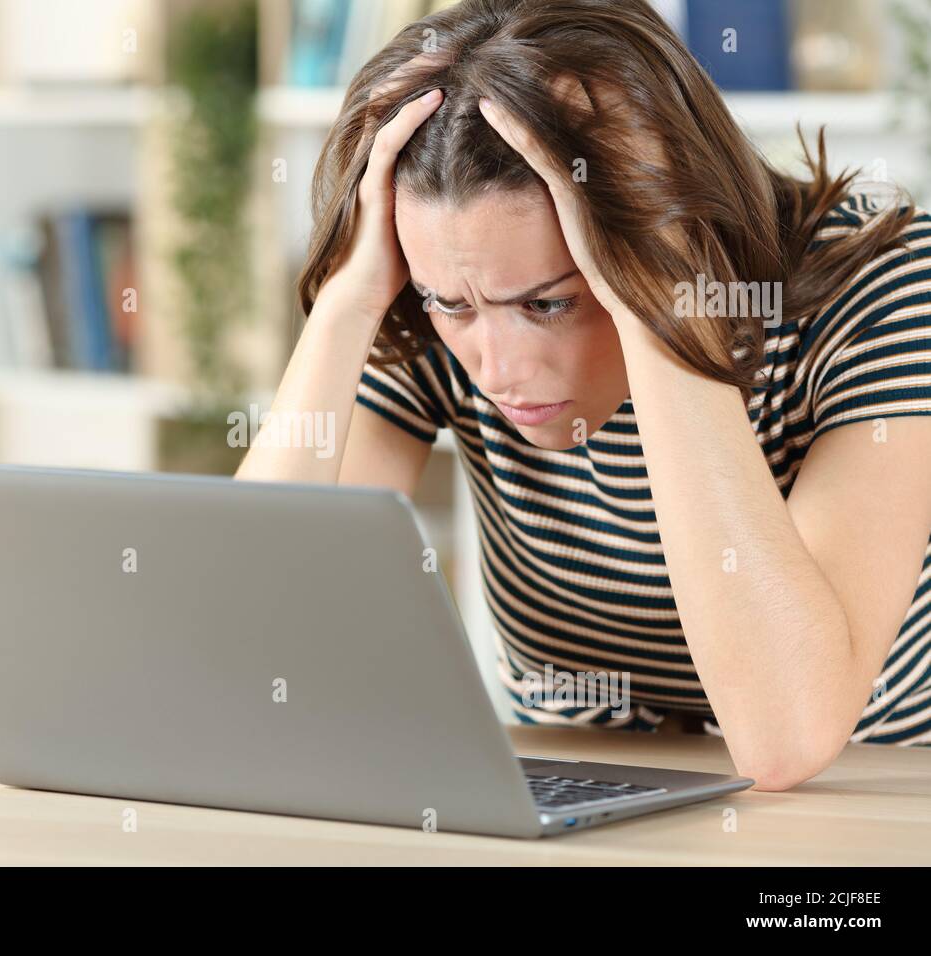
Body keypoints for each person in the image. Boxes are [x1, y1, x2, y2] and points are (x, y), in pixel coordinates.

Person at [235, 0, 931, 790]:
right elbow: (248, 662)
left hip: (873, 795)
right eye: (449, 304)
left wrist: (661, 296)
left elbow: (787, 740)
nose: (495, 369)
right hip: (585, 791)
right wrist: (347, 303)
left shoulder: (880, 286)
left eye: (549, 303)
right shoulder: (454, 288)